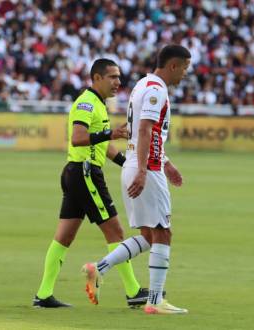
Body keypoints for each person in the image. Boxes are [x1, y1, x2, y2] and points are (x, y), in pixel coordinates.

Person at [82, 45, 191, 315]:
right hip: (145, 167)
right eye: (185, 68)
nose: (186, 74)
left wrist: (166, 163)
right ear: (173, 66)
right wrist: (146, 169)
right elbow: (143, 130)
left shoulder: (143, 84)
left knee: (148, 234)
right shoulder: (156, 90)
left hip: (139, 163)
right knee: (163, 232)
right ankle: (155, 301)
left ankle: (99, 268)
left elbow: (142, 133)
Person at [33, 58, 149, 308]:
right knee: (116, 232)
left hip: (77, 173)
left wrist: (129, 165)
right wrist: (111, 133)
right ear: (97, 78)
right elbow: (78, 138)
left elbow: (104, 146)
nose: (118, 82)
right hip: (85, 173)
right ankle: (134, 291)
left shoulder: (98, 104)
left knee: (64, 237)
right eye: (113, 77)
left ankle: (43, 294)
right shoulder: (87, 103)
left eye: (119, 77)